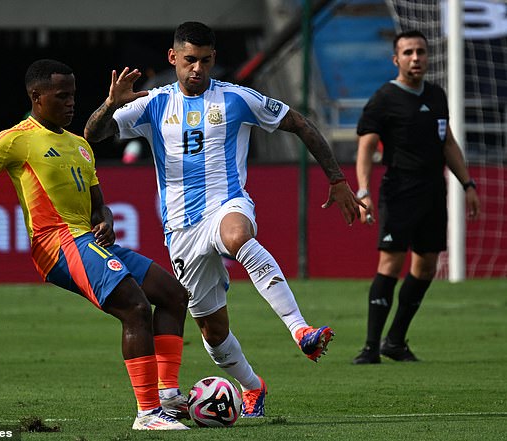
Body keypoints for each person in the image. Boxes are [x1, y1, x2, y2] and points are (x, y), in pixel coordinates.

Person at [0, 59, 191, 430]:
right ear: (36, 96)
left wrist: (106, 223)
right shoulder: (15, 139)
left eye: (73, 95)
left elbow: (100, 206)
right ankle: (147, 414)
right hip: (57, 243)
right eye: (62, 96)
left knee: (173, 294)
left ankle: (168, 395)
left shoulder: (80, 146)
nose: (71, 103)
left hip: (89, 240)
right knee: (135, 306)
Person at [84, 22, 363, 417]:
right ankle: (253, 386)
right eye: (189, 60)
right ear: (173, 58)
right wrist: (111, 104)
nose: (197, 68)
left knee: (236, 235)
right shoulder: (153, 103)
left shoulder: (236, 99)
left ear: (214, 59)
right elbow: (92, 134)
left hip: (226, 205)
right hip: (180, 229)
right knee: (213, 333)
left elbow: (299, 123)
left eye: (205, 60)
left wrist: (337, 179)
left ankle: (301, 329)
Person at [352, 30, 480, 364]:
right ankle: (370, 348)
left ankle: (395, 341)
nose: (415, 58)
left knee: (426, 267)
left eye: (420, 52)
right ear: (396, 59)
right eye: (408, 52)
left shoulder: (437, 95)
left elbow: (448, 142)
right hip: (399, 192)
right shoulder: (384, 99)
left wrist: (467, 185)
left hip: (433, 193)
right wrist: (363, 191)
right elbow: (366, 147)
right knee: (391, 263)